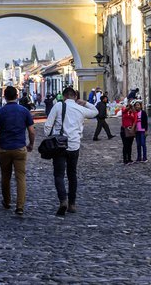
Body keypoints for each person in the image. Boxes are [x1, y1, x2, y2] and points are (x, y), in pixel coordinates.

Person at [43, 86, 98, 216]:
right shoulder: (80, 108)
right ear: (75, 96)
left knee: (59, 175)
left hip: (59, 145)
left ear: (64, 96)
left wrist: (49, 136)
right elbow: (95, 111)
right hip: (74, 145)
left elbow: (47, 126)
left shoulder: (58, 106)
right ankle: (72, 204)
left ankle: (63, 201)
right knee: (72, 175)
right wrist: (84, 102)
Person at [0, 86, 35, 215]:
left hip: (4, 148)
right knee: (20, 177)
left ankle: (7, 201)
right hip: (20, 148)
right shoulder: (24, 111)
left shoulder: (0, 112)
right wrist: (31, 144)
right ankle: (20, 206)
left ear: (4, 97)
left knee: (5, 176)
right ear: (17, 96)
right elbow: (32, 131)